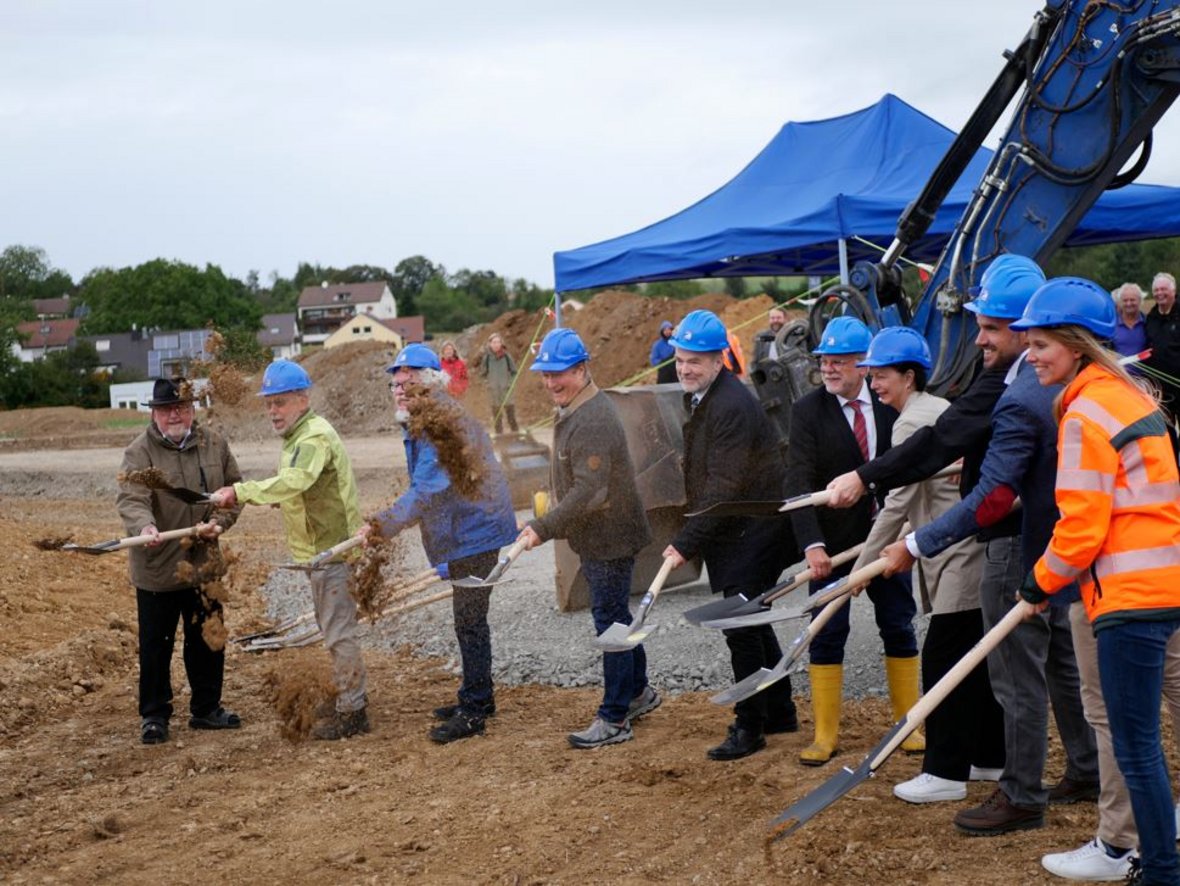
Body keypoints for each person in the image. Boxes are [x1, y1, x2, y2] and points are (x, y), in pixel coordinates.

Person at [879, 262, 1099, 837]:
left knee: (1015, 676)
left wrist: (916, 543)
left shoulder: (1023, 398)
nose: (979, 339)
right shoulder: (1061, 384)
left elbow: (992, 500)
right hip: (1061, 546)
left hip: (1018, 553)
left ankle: (1022, 793)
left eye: (992, 328)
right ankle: (1085, 767)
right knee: (1060, 665)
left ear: (1029, 333)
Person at [1013, 276, 1180, 886]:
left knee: (1135, 745)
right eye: (1029, 345)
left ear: (1077, 346)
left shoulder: (1086, 413)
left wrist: (1036, 585)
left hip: (1130, 599)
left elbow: (1081, 527)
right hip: (1166, 587)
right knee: (1146, 737)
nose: (1031, 358)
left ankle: (1160, 869)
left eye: (1042, 347)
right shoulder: (1129, 396)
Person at [845, 328, 1000, 805]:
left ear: (909, 376)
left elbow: (896, 504)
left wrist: (862, 567)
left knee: (944, 660)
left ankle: (944, 771)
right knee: (977, 662)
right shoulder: (933, 409)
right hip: (965, 550)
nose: (874, 385)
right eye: (870, 377)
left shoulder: (911, 423)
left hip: (957, 556)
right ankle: (992, 757)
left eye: (882, 376)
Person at [660, 309, 800, 761]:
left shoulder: (730, 406)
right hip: (741, 526)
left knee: (739, 626)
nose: (685, 368)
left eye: (694, 361)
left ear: (720, 359)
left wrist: (685, 541)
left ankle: (750, 725)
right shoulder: (708, 395)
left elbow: (725, 487)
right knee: (753, 618)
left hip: (753, 528)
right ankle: (778, 710)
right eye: (680, 359)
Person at [209, 360, 370, 741]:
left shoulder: (311, 437)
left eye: (280, 402)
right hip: (321, 550)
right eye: (269, 404)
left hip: (332, 551)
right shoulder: (301, 436)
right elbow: (304, 488)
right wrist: (286, 500)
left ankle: (354, 711)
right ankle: (349, 697)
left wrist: (242, 492)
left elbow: (296, 480)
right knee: (333, 629)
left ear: (302, 399)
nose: (273, 411)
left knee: (338, 633)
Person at [365, 344, 517, 744]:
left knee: (469, 621)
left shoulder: (441, 421)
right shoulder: (425, 416)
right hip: (468, 529)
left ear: (430, 382)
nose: (399, 388)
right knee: (468, 619)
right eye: (395, 382)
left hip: (478, 531)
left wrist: (384, 524)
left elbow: (429, 491)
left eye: (409, 381)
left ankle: (475, 709)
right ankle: (477, 696)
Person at [786, 315, 919, 767]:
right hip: (833, 546)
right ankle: (824, 735)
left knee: (899, 625)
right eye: (824, 361)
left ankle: (908, 723)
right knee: (826, 633)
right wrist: (812, 545)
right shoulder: (808, 412)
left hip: (889, 543)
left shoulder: (891, 403)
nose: (828, 370)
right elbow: (798, 481)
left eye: (839, 362)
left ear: (865, 366)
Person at [518, 328, 659, 748]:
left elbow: (590, 491)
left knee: (611, 623)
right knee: (617, 616)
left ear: (581, 369)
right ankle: (638, 692)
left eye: (558, 374)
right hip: (605, 534)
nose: (550, 383)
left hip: (610, 535)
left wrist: (544, 529)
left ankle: (615, 717)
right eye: (544, 375)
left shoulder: (593, 417)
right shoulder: (577, 408)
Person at [116, 377, 243, 745]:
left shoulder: (214, 444)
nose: (175, 414)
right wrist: (146, 525)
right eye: (167, 409)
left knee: (208, 639)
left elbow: (234, 491)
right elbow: (131, 498)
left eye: (182, 407)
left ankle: (207, 709)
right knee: (157, 645)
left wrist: (219, 524)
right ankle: (154, 715)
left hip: (204, 564)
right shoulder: (139, 453)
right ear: (154, 413)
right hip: (158, 567)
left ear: (192, 410)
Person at [1145, 272, 1180, 419]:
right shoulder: (1151, 318)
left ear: (1173, 291)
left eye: (1163, 289)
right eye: (1156, 290)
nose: (1160, 293)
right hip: (1160, 389)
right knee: (1165, 431)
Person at [478, 332, 519, 434]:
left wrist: (510, 383)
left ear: (501, 343)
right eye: (494, 342)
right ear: (490, 344)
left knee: (511, 415)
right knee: (497, 417)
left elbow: (514, 372)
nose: (496, 344)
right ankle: (499, 437)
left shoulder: (506, 356)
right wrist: (488, 384)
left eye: (498, 342)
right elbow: (482, 374)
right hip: (494, 391)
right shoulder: (487, 358)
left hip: (506, 390)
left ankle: (516, 434)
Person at [1112, 283, 1148, 359]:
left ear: (1140, 301)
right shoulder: (1111, 324)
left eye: (1132, 300)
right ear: (1120, 302)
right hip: (1116, 370)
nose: (1128, 303)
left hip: (1145, 371)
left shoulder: (1148, 323)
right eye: (1125, 300)